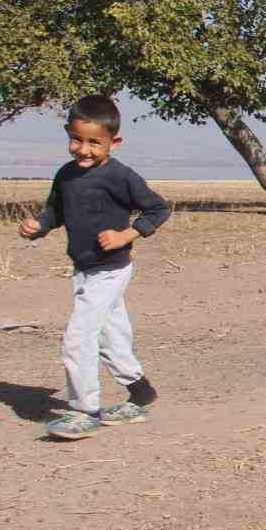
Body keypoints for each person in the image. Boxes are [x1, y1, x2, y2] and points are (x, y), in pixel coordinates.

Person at [19, 95, 171, 440]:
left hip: (112, 268)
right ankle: (140, 391)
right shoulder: (66, 176)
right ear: (67, 133)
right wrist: (37, 227)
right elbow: (55, 212)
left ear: (114, 142)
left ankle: (84, 410)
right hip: (84, 269)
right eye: (76, 139)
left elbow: (158, 210)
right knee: (111, 336)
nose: (83, 149)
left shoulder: (121, 177)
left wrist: (125, 235)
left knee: (78, 337)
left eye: (94, 143)